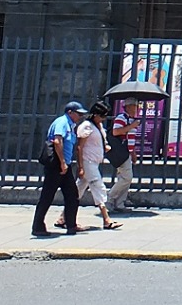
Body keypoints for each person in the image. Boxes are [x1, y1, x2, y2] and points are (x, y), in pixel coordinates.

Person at [59, 102, 121, 231]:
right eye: (102, 116)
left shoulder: (98, 126)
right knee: (98, 186)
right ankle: (106, 219)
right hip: (88, 162)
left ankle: (63, 217)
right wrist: (81, 167)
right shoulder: (87, 126)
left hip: (94, 162)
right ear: (95, 115)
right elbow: (80, 147)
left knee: (78, 190)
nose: (103, 119)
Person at [32, 101, 86, 237]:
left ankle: (71, 225)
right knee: (47, 196)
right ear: (70, 113)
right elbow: (57, 141)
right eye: (78, 113)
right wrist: (62, 162)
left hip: (64, 166)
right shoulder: (62, 122)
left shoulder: (70, 125)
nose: (80, 116)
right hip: (56, 166)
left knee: (72, 195)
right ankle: (38, 226)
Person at [107, 97, 141, 213]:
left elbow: (131, 138)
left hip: (128, 152)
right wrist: (132, 126)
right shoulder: (121, 118)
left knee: (124, 178)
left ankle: (120, 203)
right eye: (135, 106)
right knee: (127, 177)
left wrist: (133, 152)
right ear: (128, 107)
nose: (136, 109)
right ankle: (110, 198)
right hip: (122, 152)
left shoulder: (132, 120)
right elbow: (116, 132)